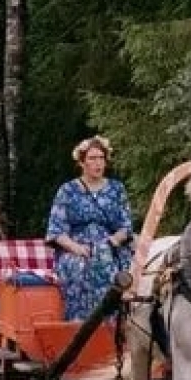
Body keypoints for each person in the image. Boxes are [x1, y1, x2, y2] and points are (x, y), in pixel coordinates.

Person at [45, 135, 135, 320]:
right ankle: (79, 325)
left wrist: (112, 241)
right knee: (80, 268)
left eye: (101, 158)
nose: (98, 163)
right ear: (82, 162)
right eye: (92, 158)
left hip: (111, 247)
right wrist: (76, 248)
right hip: (76, 248)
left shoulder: (117, 189)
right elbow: (56, 231)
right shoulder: (67, 191)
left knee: (116, 271)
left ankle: (115, 325)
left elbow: (126, 226)